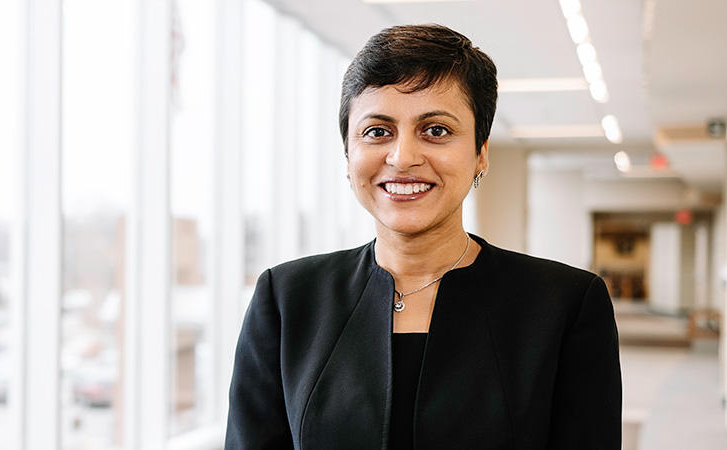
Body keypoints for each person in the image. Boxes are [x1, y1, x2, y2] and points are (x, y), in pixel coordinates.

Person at [225, 24, 621, 450]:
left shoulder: (564, 306)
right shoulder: (286, 300)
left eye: (436, 130)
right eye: (378, 131)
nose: (403, 157)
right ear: (348, 153)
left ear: (480, 153)